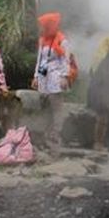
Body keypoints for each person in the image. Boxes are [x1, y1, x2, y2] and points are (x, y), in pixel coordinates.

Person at [32, 12, 70, 148]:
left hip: (56, 77)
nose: (41, 28)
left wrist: (65, 77)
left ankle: (56, 135)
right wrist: (36, 76)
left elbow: (66, 60)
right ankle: (44, 134)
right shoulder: (42, 40)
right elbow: (40, 60)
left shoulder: (62, 40)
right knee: (44, 106)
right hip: (44, 76)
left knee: (56, 107)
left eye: (43, 26)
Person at [87, 35, 109, 151]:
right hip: (101, 92)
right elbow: (104, 77)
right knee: (102, 118)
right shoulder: (105, 57)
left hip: (97, 90)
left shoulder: (99, 55)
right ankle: (98, 144)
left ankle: (99, 143)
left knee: (102, 118)